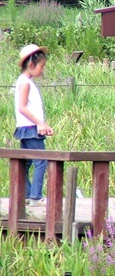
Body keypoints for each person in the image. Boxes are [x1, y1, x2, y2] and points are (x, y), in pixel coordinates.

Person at [14, 44, 54, 207]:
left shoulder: (24, 81)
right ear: (31, 65)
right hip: (30, 129)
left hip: (26, 128)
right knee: (41, 161)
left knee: (26, 162)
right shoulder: (26, 83)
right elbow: (22, 107)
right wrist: (39, 123)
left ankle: (27, 193)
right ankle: (35, 196)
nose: (42, 70)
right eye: (41, 66)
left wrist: (43, 123)